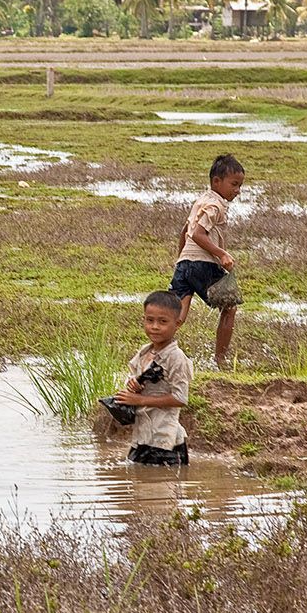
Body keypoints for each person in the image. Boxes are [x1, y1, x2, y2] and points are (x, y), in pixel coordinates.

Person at [170, 153, 245, 369]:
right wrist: (221, 254)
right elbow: (198, 234)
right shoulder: (215, 206)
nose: (237, 190)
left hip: (185, 264)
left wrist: (181, 262)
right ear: (216, 182)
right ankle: (220, 361)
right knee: (230, 308)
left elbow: (185, 232)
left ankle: (156, 353)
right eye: (234, 184)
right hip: (203, 264)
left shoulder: (200, 201)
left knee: (178, 316)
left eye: (240, 185)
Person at [113, 291, 193, 466]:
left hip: (165, 439)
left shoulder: (176, 358)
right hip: (143, 436)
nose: (155, 326)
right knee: (139, 487)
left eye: (163, 322)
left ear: (177, 324)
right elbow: (133, 376)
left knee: (162, 489)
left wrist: (139, 399)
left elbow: (180, 398)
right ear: (144, 320)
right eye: (150, 320)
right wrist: (132, 384)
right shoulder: (144, 352)